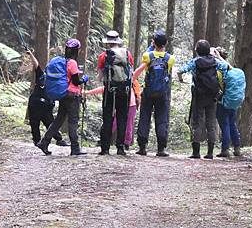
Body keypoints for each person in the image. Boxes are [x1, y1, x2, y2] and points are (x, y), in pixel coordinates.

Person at [177, 39, 230, 159]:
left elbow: (180, 70)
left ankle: (196, 152)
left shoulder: (195, 62)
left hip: (199, 96)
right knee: (211, 123)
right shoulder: (215, 61)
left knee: (197, 123)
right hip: (213, 96)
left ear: (197, 50)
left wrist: (181, 80)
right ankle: (210, 153)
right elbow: (226, 67)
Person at [36, 39, 89, 156]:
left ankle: (44, 142)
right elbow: (75, 82)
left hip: (63, 94)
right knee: (73, 121)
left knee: (58, 120)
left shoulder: (62, 62)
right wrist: (84, 79)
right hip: (72, 96)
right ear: (77, 51)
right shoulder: (73, 63)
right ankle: (75, 148)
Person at [132, 29, 175, 157]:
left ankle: (142, 147)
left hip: (148, 91)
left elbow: (147, 57)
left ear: (154, 43)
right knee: (162, 118)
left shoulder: (147, 56)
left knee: (145, 117)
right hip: (163, 93)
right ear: (166, 43)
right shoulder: (170, 58)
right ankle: (161, 148)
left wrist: (152, 46)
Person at [96, 30, 134, 156]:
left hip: (109, 90)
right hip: (124, 90)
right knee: (122, 117)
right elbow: (131, 73)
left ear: (107, 42)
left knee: (108, 117)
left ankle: (105, 148)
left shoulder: (104, 56)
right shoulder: (127, 54)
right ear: (118, 41)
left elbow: (100, 76)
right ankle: (120, 147)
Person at [25, 50, 69, 147]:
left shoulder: (57, 79)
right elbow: (36, 65)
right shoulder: (42, 75)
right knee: (34, 124)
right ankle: (37, 141)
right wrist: (31, 55)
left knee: (50, 123)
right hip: (35, 103)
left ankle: (59, 139)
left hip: (46, 106)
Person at [213, 47, 243, 158]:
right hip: (233, 101)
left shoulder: (220, 70)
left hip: (223, 101)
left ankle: (225, 149)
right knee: (232, 123)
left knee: (225, 124)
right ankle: (237, 147)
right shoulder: (233, 71)